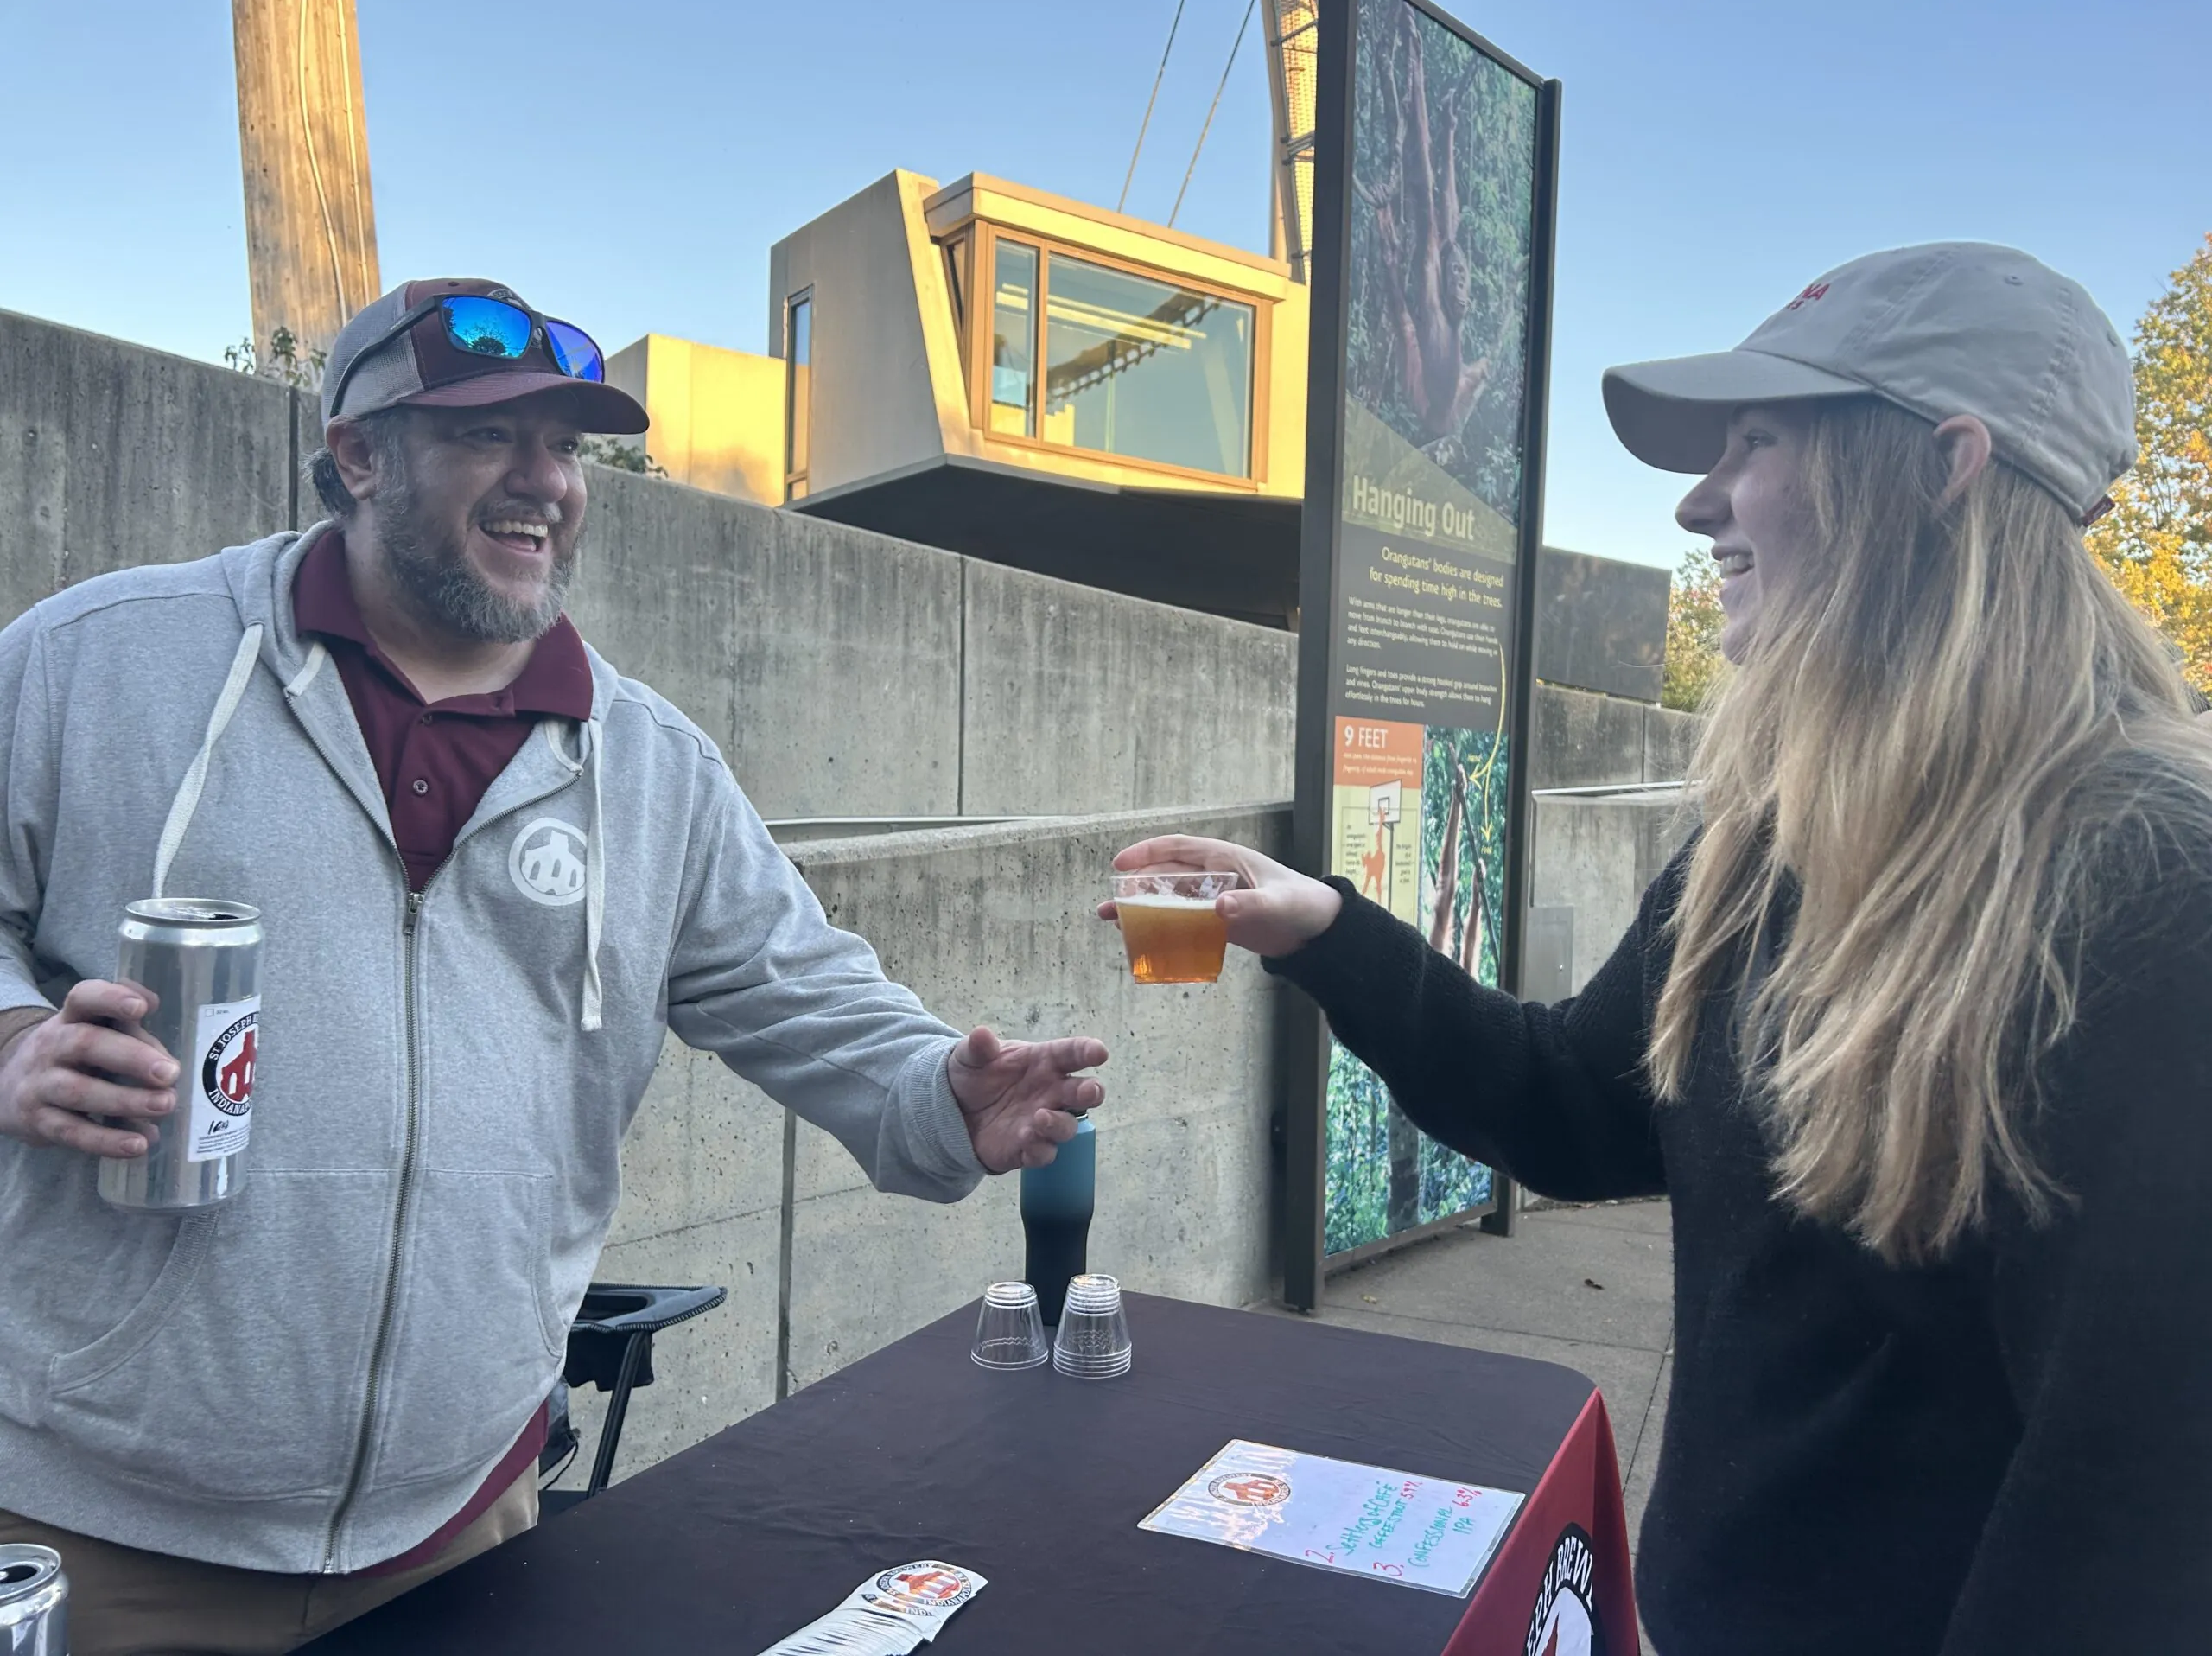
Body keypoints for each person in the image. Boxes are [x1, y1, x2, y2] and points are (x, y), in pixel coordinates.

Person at [1111, 244, 2212, 1653]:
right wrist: (1322, 927)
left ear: (1945, 466)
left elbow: (2137, 1514)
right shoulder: (1769, 850)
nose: (1699, 503)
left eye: (1757, 442)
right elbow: (1577, 1111)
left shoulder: (2151, 889)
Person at [0, 278, 1107, 1654]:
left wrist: (945, 1089)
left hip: (462, 1524)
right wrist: (13, 1037)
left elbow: (808, 990)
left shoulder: (649, 767)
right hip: (97, 1535)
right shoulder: (103, 665)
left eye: (566, 448)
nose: (544, 484)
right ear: (358, 455)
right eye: (488, 438)